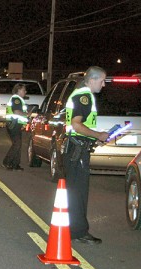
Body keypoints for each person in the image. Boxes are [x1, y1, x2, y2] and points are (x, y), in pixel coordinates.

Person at [64, 66, 109, 244]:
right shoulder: (84, 97)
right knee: (79, 193)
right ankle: (78, 232)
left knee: (76, 192)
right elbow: (76, 125)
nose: (103, 85)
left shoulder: (79, 94)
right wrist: (98, 135)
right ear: (92, 80)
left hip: (77, 147)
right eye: (102, 81)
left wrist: (94, 139)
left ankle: (75, 230)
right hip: (77, 150)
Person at [3, 83, 29, 171]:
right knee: (17, 144)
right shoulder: (16, 99)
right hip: (14, 124)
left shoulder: (18, 99)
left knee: (18, 144)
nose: (25, 91)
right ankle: (7, 162)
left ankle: (15, 164)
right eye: (23, 90)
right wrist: (27, 114)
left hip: (16, 124)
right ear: (18, 90)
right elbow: (17, 112)